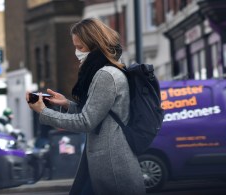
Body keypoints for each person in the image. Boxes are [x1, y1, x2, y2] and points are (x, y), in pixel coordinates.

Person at [26, 18, 145, 195]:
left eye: (80, 47)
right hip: (103, 162)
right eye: (75, 47)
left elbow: (86, 122)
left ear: (95, 45)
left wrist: (44, 112)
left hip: (112, 166)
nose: (76, 53)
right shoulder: (108, 71)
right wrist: (66, 104)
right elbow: (99, 114)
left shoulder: (106, 75)